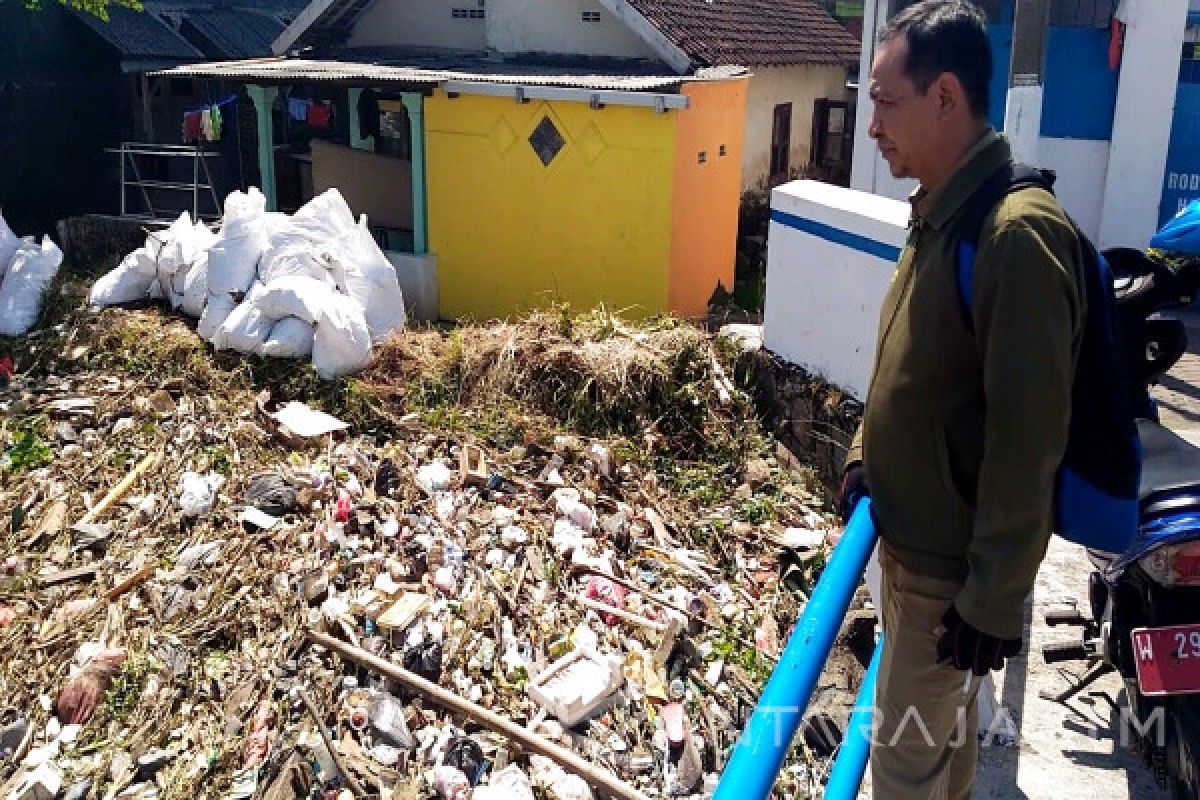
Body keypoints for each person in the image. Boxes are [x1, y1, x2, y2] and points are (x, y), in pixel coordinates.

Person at [840, 2, 1085, 798]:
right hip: (919, 558)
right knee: (941, 772)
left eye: (884, 100)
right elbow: (907, 362)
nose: (871, 124)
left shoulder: (1013, 233)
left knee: (904, 776)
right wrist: (862, 455)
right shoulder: (943, 210)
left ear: (945, 97)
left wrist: (990, 599)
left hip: (951, 586)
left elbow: (1029, 437)